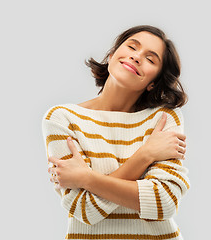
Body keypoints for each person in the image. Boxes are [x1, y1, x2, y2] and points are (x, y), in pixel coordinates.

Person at [42, 25, 190, 240]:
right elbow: (85, 210)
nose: (137, 57)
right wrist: (146, 155)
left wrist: (86, 179)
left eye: (151, 59)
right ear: (111, 55)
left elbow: (164, 202)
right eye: (132, 47)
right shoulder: (62, 118)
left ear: (153, 83)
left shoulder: (163, 119)